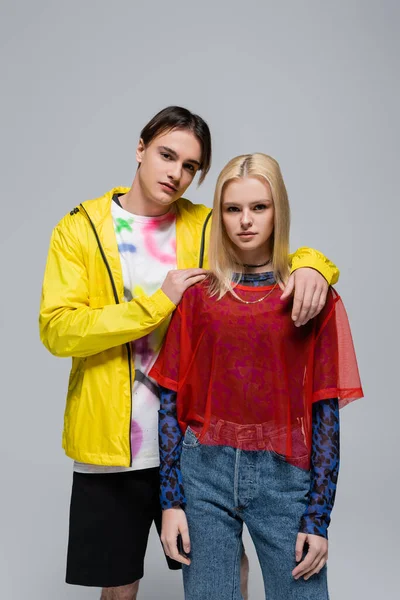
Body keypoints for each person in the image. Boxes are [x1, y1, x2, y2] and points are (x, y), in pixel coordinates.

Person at [39, 108, 340, 600]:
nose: (176, 173)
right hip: (114, 442)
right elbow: (57, 330)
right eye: (166, 155)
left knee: (227, 567)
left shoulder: (204, 224)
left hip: (198, 438)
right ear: (140, 148)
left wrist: (315, 268)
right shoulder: (79, 230)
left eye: (190, 166)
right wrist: (158, 303)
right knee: (119, 583)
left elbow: (267, 240)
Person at [150, 153, 363, 600]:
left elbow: (325, 413)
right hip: (203, 472)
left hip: (285, 476)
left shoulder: (309, 295)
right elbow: (170, 402)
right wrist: (170, 501)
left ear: (278, 210)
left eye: (259, 207)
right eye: (232, 209)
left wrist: (317, 518)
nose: (245, 221)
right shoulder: (199, 297)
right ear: (220, 214)